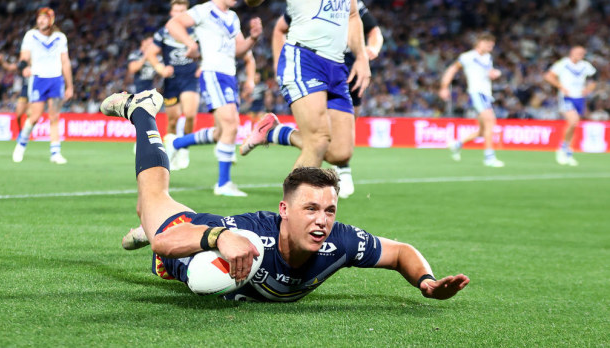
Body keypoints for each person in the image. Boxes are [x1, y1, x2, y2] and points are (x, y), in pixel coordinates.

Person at [99, 88, 470, 302]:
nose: (321, 220)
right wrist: (219, 237)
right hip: (186, 231)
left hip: (200, 236)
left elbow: (401, 252)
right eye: (309, 208)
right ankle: (142, 110)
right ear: (284, 210)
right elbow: (167, 241)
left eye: (329, 210)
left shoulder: (340, 241)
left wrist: (426, 282)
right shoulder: (251, 234)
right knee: (153, 195)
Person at [244, 1, 383, 199]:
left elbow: (353, 16)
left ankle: (273, 132)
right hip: (304, 58)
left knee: (340, 153)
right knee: (318, 140)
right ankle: (290, 218)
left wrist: (361, 57)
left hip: (337, 67)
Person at [163, 0, 262, 197]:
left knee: (220, 132)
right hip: (214, 73)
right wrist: (191, 43)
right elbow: (173, 24)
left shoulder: (232, 16)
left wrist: (252, 38)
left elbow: (239, 50)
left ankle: (176, 144)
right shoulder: (204, 10)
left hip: (229, 75)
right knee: (231, 126)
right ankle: (223, 183)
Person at [12, 7, 73, 164]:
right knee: (35, 117)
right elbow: (24, 55)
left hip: (56, 79)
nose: (40, 20)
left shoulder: (60, 38)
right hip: (38, 79)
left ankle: (55, 153)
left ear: (51, 20)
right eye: (39, 17)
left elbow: (65, 62)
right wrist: (24, 66)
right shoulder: (31, 36)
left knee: (54, 116)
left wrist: (69, 85)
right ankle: (21, 144)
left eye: (44, 18)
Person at [146, 0, 200, 170]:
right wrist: (160, 68)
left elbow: (209, 49)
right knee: (172, 120)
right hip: (172, 80)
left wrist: (203, 66)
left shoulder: (196, 31)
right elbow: (150, 53)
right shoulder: (164, 32)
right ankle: (170, 152)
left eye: (182, 11)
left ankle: (184, 149)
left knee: (190, 114)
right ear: (171, 13)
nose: (178, 14)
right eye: (175, 11)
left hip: (190, 77)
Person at [439, 32, 504, 168]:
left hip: (486, 94)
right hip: (477, 93)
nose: (491, 48)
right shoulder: (467, 57)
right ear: (480, 43)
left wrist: (494, 73)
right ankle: (489, 158)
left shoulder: (487, 57)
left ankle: (457, 144)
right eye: (489, 45)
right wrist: (444, 87)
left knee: (482, 130)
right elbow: (452, 69)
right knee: (490, 123)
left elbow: (487, 73)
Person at [543, 46, 597, 166]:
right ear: (572, 52)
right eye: (579, 52)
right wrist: (560, 86)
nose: (581, 55)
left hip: (579, 97)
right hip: (567, 97)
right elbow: (548, 76)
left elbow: (594, 79)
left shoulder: (585, 65)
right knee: (573, 121)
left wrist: (589, 89)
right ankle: (562, 148)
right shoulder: (563, 64)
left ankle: (568, 152)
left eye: (583, 53)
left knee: (574, 125)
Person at [0, 53, 29, 133]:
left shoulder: (40, 63)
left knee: (32, 114)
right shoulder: (24, 64)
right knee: (18, 114)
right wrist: (1, 61)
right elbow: (9, 67)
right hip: (25, 90)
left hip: (37, 90)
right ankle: (21, 132)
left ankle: (27, 133)